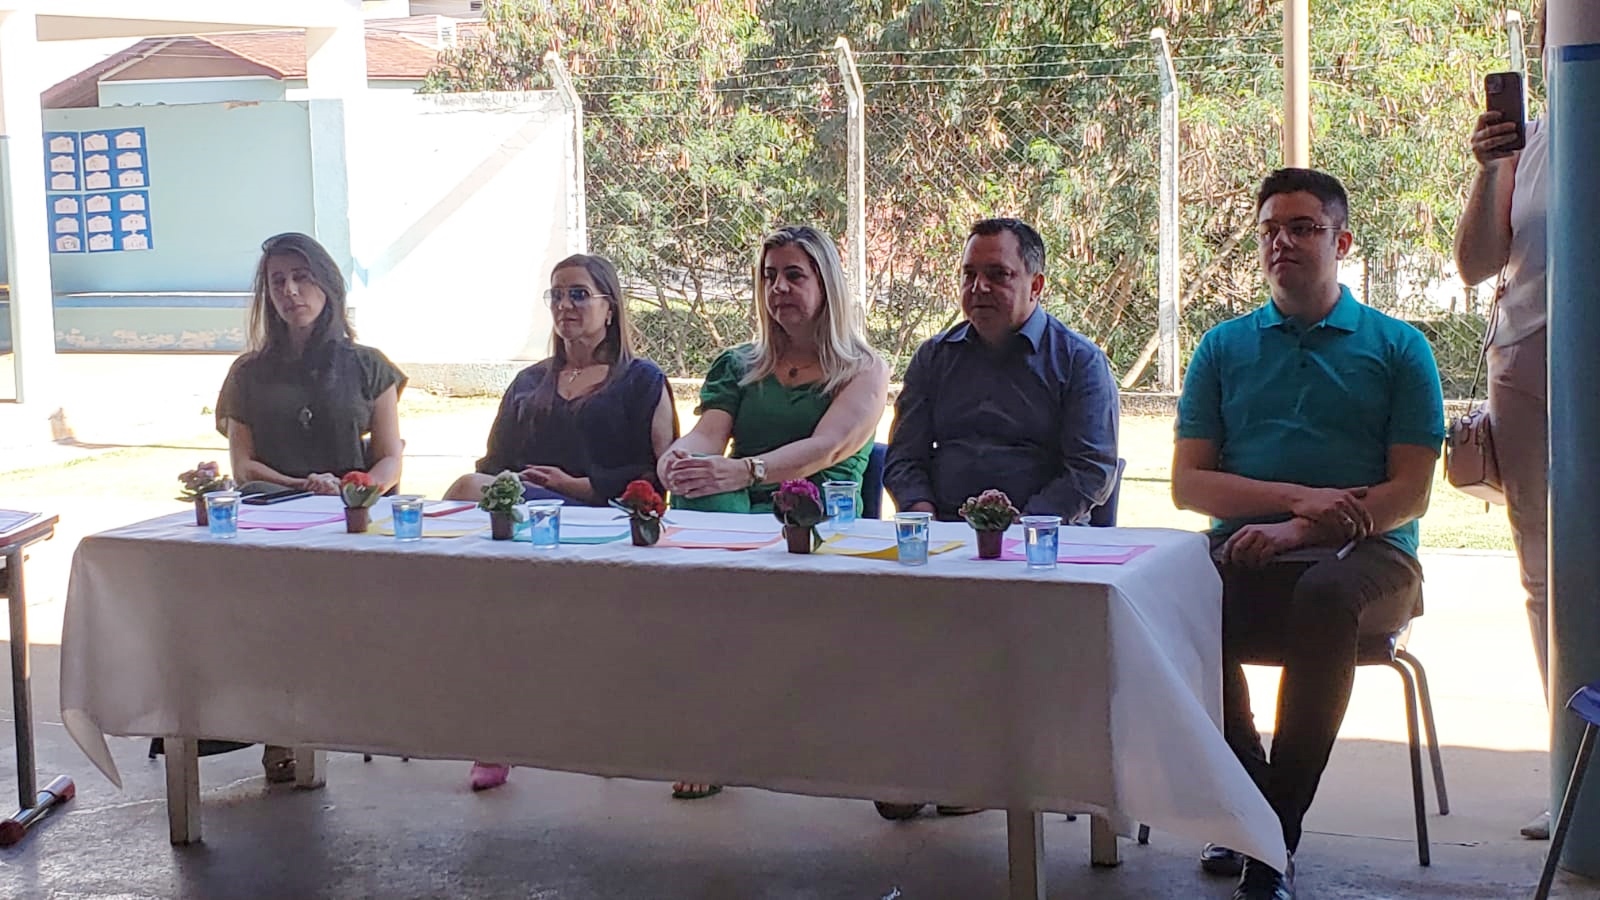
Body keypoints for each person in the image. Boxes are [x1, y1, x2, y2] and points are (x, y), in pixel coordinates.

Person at [1172, 169, 1445, 900]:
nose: (1282, 243)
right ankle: (1249, 805)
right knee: (1173, 590)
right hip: (1246, 551)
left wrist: (1296, 529)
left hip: (1372, 558)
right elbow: (1190, 484)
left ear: (1342, 242)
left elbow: (1410, 493)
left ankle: (1270, 836)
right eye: (1270, 229)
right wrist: (1296, 502)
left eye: (1303, 228)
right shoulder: (1222, 347)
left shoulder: (1399, 348)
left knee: (1324, 596)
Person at [656, 225, 888, 800]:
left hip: (818, 511)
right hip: (743, 507)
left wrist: (748, 470)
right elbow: (709, 436)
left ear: (826, 285)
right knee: (700, 492)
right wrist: (678, 458)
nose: (778, 288)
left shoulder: (863, 367)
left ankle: (729, 721)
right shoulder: (738, 363)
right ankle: (715, 726)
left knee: (730, 550)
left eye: (793, 275)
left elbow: (827, 448)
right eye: (769, 276)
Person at [449, 253, 677, 792]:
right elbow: (494, 463)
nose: (565, 305)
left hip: (599, 520)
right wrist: (514, 486)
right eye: (556, 295)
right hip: (521, 522)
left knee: (467, 492)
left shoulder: (642, 380)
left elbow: (659, 474)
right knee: (469, 495)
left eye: (578, 294)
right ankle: (493, 733)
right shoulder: (529, 382)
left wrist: (581, 486)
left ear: (610, 308)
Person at [216, 231, 407, 783]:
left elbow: (391, 458)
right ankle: (279, 730)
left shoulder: (369, 365)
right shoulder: (248, 373)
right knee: (262, 611)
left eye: (301, 278)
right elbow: (244, 467)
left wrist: (354, 489)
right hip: (270, 514)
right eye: (277, 282)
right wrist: (303, 484)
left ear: (327, 284)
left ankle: (356, 716)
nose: (290, 292)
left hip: (349, 516)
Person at [1453, 2, 1552, 840]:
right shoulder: (1538, 138)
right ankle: (1576, 774)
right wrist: (1493, 169)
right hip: (1527, 358)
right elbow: (1476, 263)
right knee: (1545, 574)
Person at [884, 217, 1119, 526]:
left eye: (998, 275)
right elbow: (903, 459)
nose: (978, 287)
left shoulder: (1080, 362)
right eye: (969, 274)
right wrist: (925, 520)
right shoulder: (934, 358)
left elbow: (1092, 470)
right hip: (944, 532)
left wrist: (1021, 530)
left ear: (1035, 286)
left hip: (1043, 538)